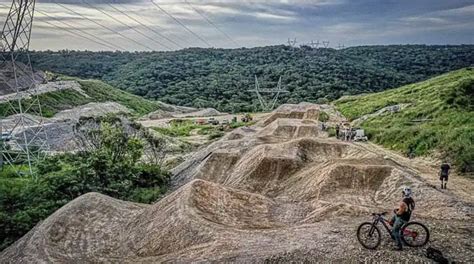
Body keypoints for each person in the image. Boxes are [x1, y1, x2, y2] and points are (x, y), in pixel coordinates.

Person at [390, 186, 415, 251]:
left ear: (405, 193)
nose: (402, 193)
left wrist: (397, 211)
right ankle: (394, 234)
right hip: (407, 215)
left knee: (395, 231)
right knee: (392, 221)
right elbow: (411, 208)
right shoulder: (411, 200)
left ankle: (399, 246)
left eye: (403, 192)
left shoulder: (404, 202)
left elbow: (400, 213)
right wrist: (400, 210)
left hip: (402, 218)